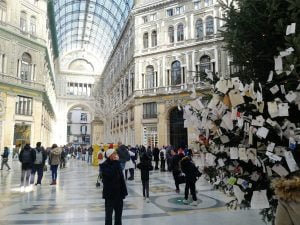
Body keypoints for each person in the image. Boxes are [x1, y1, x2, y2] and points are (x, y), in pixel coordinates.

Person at [100, 148, 128, 225]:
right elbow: (110, 174)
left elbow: (121, 179)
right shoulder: (104, 165)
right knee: (108, 217)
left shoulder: (117, 164)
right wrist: (116, 162)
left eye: (116, 154)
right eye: (114, 154)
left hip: (119, 195)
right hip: (109, 196)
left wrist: (124, 192)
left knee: (118, 217)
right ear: (109, 156)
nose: (116, 155)